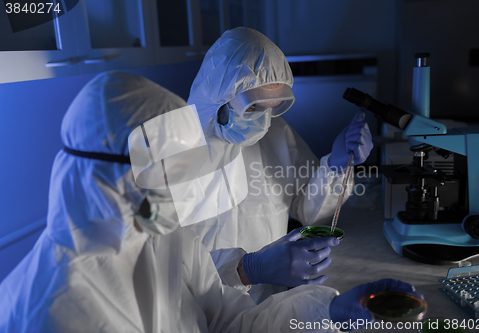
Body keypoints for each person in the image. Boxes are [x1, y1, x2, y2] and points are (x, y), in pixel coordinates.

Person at [0, 71, 416, 333]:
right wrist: (250, 267)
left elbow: (230, 320)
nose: (179, 188)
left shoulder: (163, 235)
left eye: (182, 169)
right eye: (165, 170)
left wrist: (329, 313)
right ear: (104, 176)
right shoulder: (56, 307)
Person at [186, 27, 374, 302]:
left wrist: (334, 166)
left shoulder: (276, 134)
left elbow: (310, 212)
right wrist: (245, 271)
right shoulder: (170, 152)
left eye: (271, 107)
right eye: (253, 108)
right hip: (195, 312)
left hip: (267, 308)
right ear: (218, 98)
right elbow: (162, 265)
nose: (262, 121)